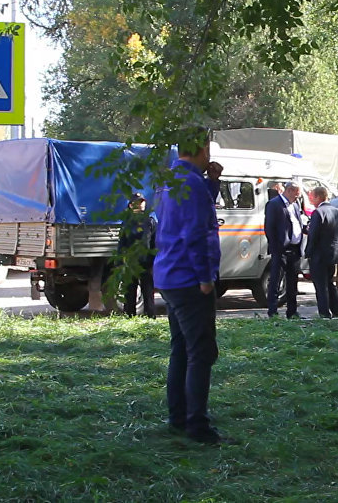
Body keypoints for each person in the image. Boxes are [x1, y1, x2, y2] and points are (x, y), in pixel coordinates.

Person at [152, 129, 228, 445]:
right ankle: (197, 424)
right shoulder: (192, 184)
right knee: (202, 352)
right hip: (189, 278)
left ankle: (179, 416)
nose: (210, 154)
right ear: (202, 149)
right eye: (208, 148)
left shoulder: (170, 180)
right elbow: (197, 233)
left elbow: (183, 217)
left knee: (182, 348)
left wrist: (213, 183)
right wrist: (206, 277)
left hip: (169, 274)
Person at [263, 181, 303, 318]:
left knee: (292, 282)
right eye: (296, 195)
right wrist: (276, 247)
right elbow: (269, 228)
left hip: (295, 249)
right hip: (281, 250)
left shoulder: (295, 205)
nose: (297, 198)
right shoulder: (274, 204)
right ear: (289, 190)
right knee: (276, 281)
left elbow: (296, 223)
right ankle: (273, 311)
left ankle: (292, 312)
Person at [305, 186, 338, 319]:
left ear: (318, 197)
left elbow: (313, 235)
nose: (311, 199)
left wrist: (308, 252)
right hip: (333, 253)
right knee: (329, 283)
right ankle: (337, 311)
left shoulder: (318, 213)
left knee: (320, 285)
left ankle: (324, 313)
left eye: (312, 197)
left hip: (319, 254)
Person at [118, 192, 157, 317]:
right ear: (130, 205)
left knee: (148, 291)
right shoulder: (127, 223)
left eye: (142, 202)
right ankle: (129, 316)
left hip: (146, 262)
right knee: (130, 291)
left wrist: (154, 260)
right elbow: (122, 244)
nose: (140, 205)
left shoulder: (150, 222)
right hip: (131, 262)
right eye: (137, 202)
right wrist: (120, 262)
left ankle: (150, 316)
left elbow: (155, 242)